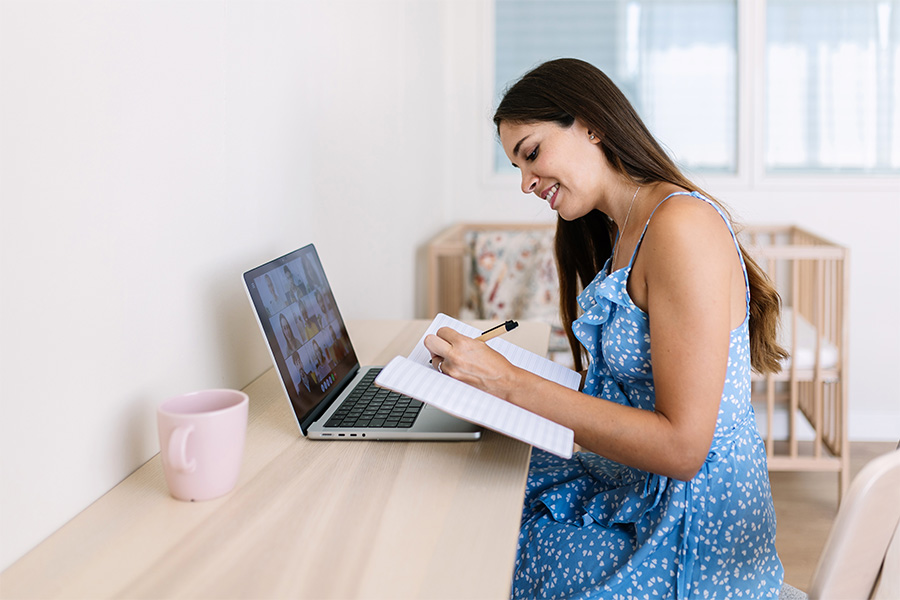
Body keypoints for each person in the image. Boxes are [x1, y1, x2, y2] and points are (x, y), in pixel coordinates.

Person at [424, 58, 787, 598]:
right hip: (641, 488)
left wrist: (507, 382)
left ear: (592, 124)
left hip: (693, 533)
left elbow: (684, 450)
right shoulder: (624, 228)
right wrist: (499, 388)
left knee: (487, 539)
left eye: (532, 154)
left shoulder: (681, 227)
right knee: (478, 493)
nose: (526, 183)